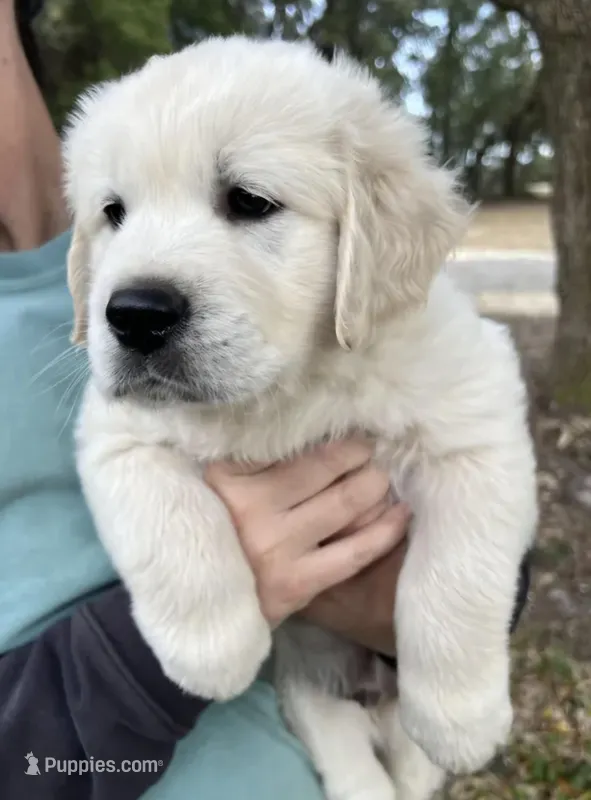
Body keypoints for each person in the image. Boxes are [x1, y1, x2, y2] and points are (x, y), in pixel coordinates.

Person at [0, 2, 411, 798]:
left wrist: (393, 596)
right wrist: (178, 615)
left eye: (248, 201)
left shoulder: (223, 128)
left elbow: (463, 545)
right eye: (115, 217)